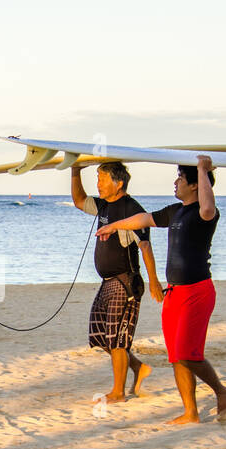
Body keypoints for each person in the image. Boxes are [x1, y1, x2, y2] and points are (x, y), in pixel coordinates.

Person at [97, 155, 226, 423]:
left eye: (180, 178)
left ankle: (221, 390)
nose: (175, 182)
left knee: (186, 353)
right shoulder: (175, 211)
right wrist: (112, 226)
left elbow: (206, 208)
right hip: (175, 292)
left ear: (195, 185)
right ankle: (190, 412)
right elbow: (143, 219)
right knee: (176, 357)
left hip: (197, 291)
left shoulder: (205, 213)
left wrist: (202, 169)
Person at [71, 161, 159, 403]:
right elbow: (79, 201)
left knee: (118, 339)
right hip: (107, 282)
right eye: (97, 179)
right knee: (101, 336)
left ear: (118, 183)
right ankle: (139, 368)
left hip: (126, 282)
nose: (97, 184)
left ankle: (118, 392)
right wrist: (75, 170)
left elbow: (145, 247)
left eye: (102, 179)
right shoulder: (103, 206)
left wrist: (153, 281)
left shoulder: (132, 210)